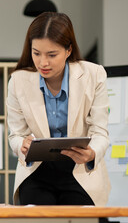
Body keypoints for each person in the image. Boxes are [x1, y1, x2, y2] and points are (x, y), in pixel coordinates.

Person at [7, 12, 111, 206]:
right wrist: (22, 145)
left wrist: (92, 153)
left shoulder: (94, 75)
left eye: (52, 55)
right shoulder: (18, 82)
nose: (43, 63)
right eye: (36, 53)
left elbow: (100, 132)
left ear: (69, 50)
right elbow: (15, 135)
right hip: (37, 172)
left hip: (80, 172)